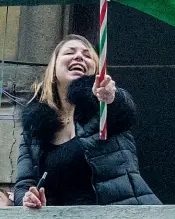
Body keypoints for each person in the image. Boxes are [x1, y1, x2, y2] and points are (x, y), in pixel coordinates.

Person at [14, 34, 162, 208]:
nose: (79, 56)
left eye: (87, 55)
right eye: (70, 52)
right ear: (53, 68)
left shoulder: (101, 108)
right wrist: (28, 199)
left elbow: (125, 111)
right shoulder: (34, 129)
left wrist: (110, 97)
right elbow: (23, 185)